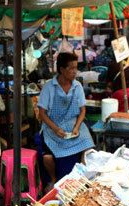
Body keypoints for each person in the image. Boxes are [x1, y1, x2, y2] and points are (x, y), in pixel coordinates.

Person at [37, 52, 95, 190]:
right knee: (47, 158)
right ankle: (53, 180)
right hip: (52, 127)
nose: (75, 72)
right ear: (62, 69)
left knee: (88, 148)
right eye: (71, 68)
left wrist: (76, 127)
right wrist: (56, 129)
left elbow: (82, 111)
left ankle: (81, 180)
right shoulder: (49, 87)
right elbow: (42, 114)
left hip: (74, 124)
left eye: (76, 68)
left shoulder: (77, 87)